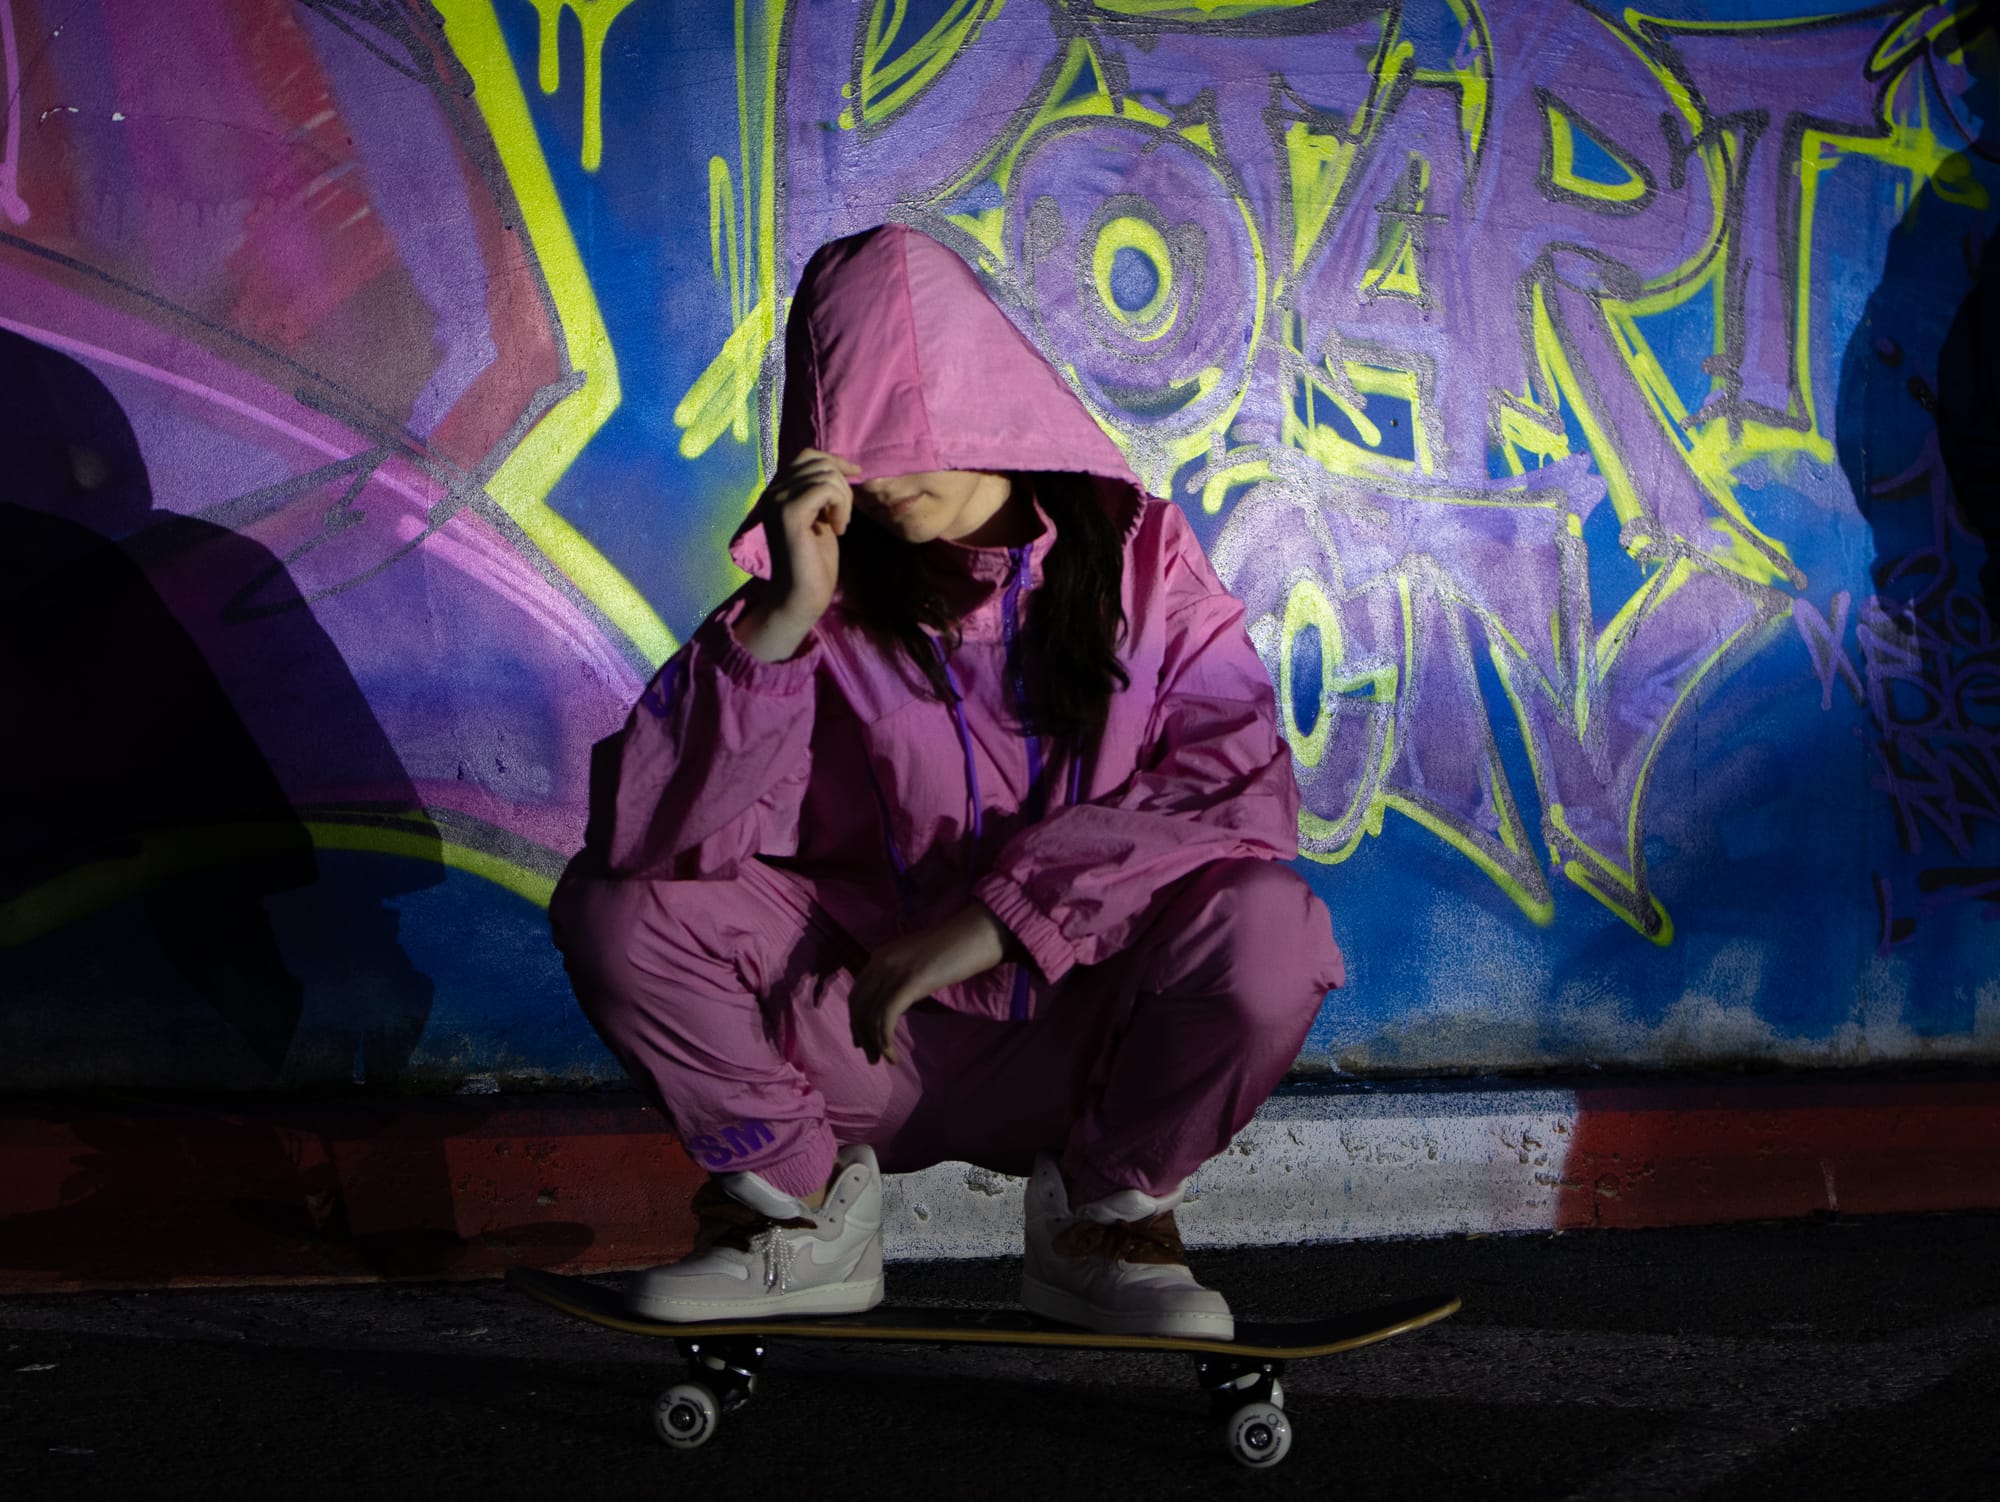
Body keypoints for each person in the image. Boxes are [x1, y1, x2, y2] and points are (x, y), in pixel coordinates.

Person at [551, 223, 1344, 1339]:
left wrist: (999, 921)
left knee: (1272, 927)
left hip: (1091, 1035)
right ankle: (796, 1214)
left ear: (987, 402)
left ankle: (1108, 1225)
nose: (874, 478)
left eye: (899, 433)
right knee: (615, 907)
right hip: (860, 1042)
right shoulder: (819, 586)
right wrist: (782, 619)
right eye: (847, 444)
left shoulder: (1145, 562)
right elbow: (648, 833)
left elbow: (1234, 782)